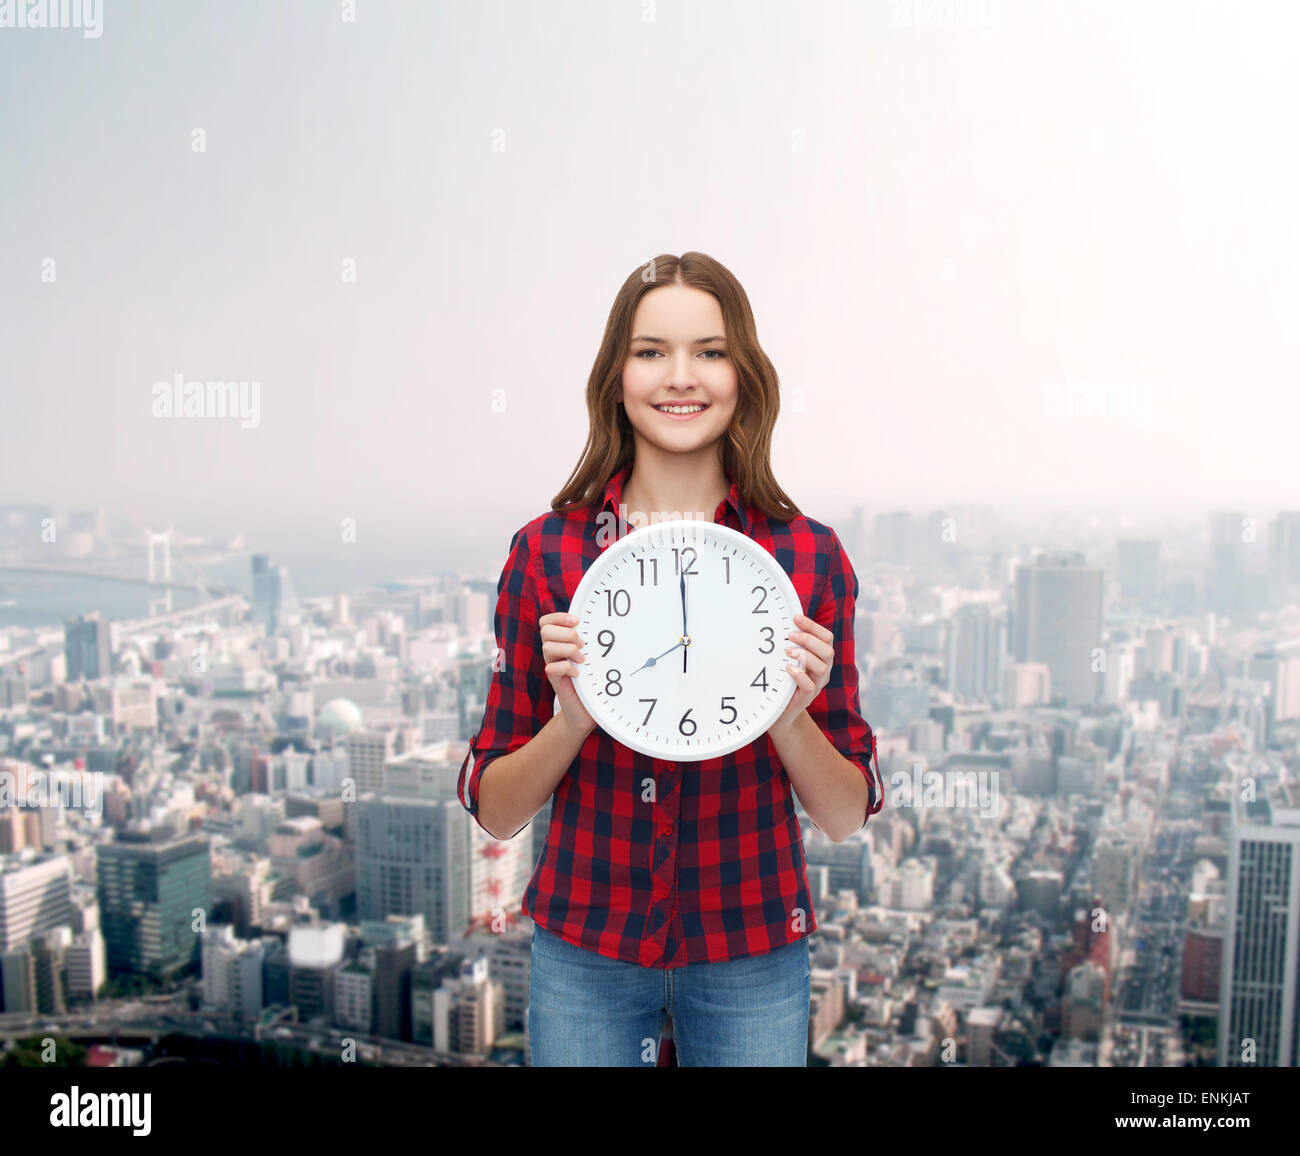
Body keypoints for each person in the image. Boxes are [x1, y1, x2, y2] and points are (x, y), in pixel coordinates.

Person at [457, 251, 883, 1067]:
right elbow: (495, 805)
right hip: (587, 944)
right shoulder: (546, 554)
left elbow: (843, 813)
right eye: (651, 350)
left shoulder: (807, 557)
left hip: (752, 945)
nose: (679, 376)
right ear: (616, 373)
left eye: (710, 351)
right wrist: (572, 720)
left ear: (744, 374)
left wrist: (789, 717)